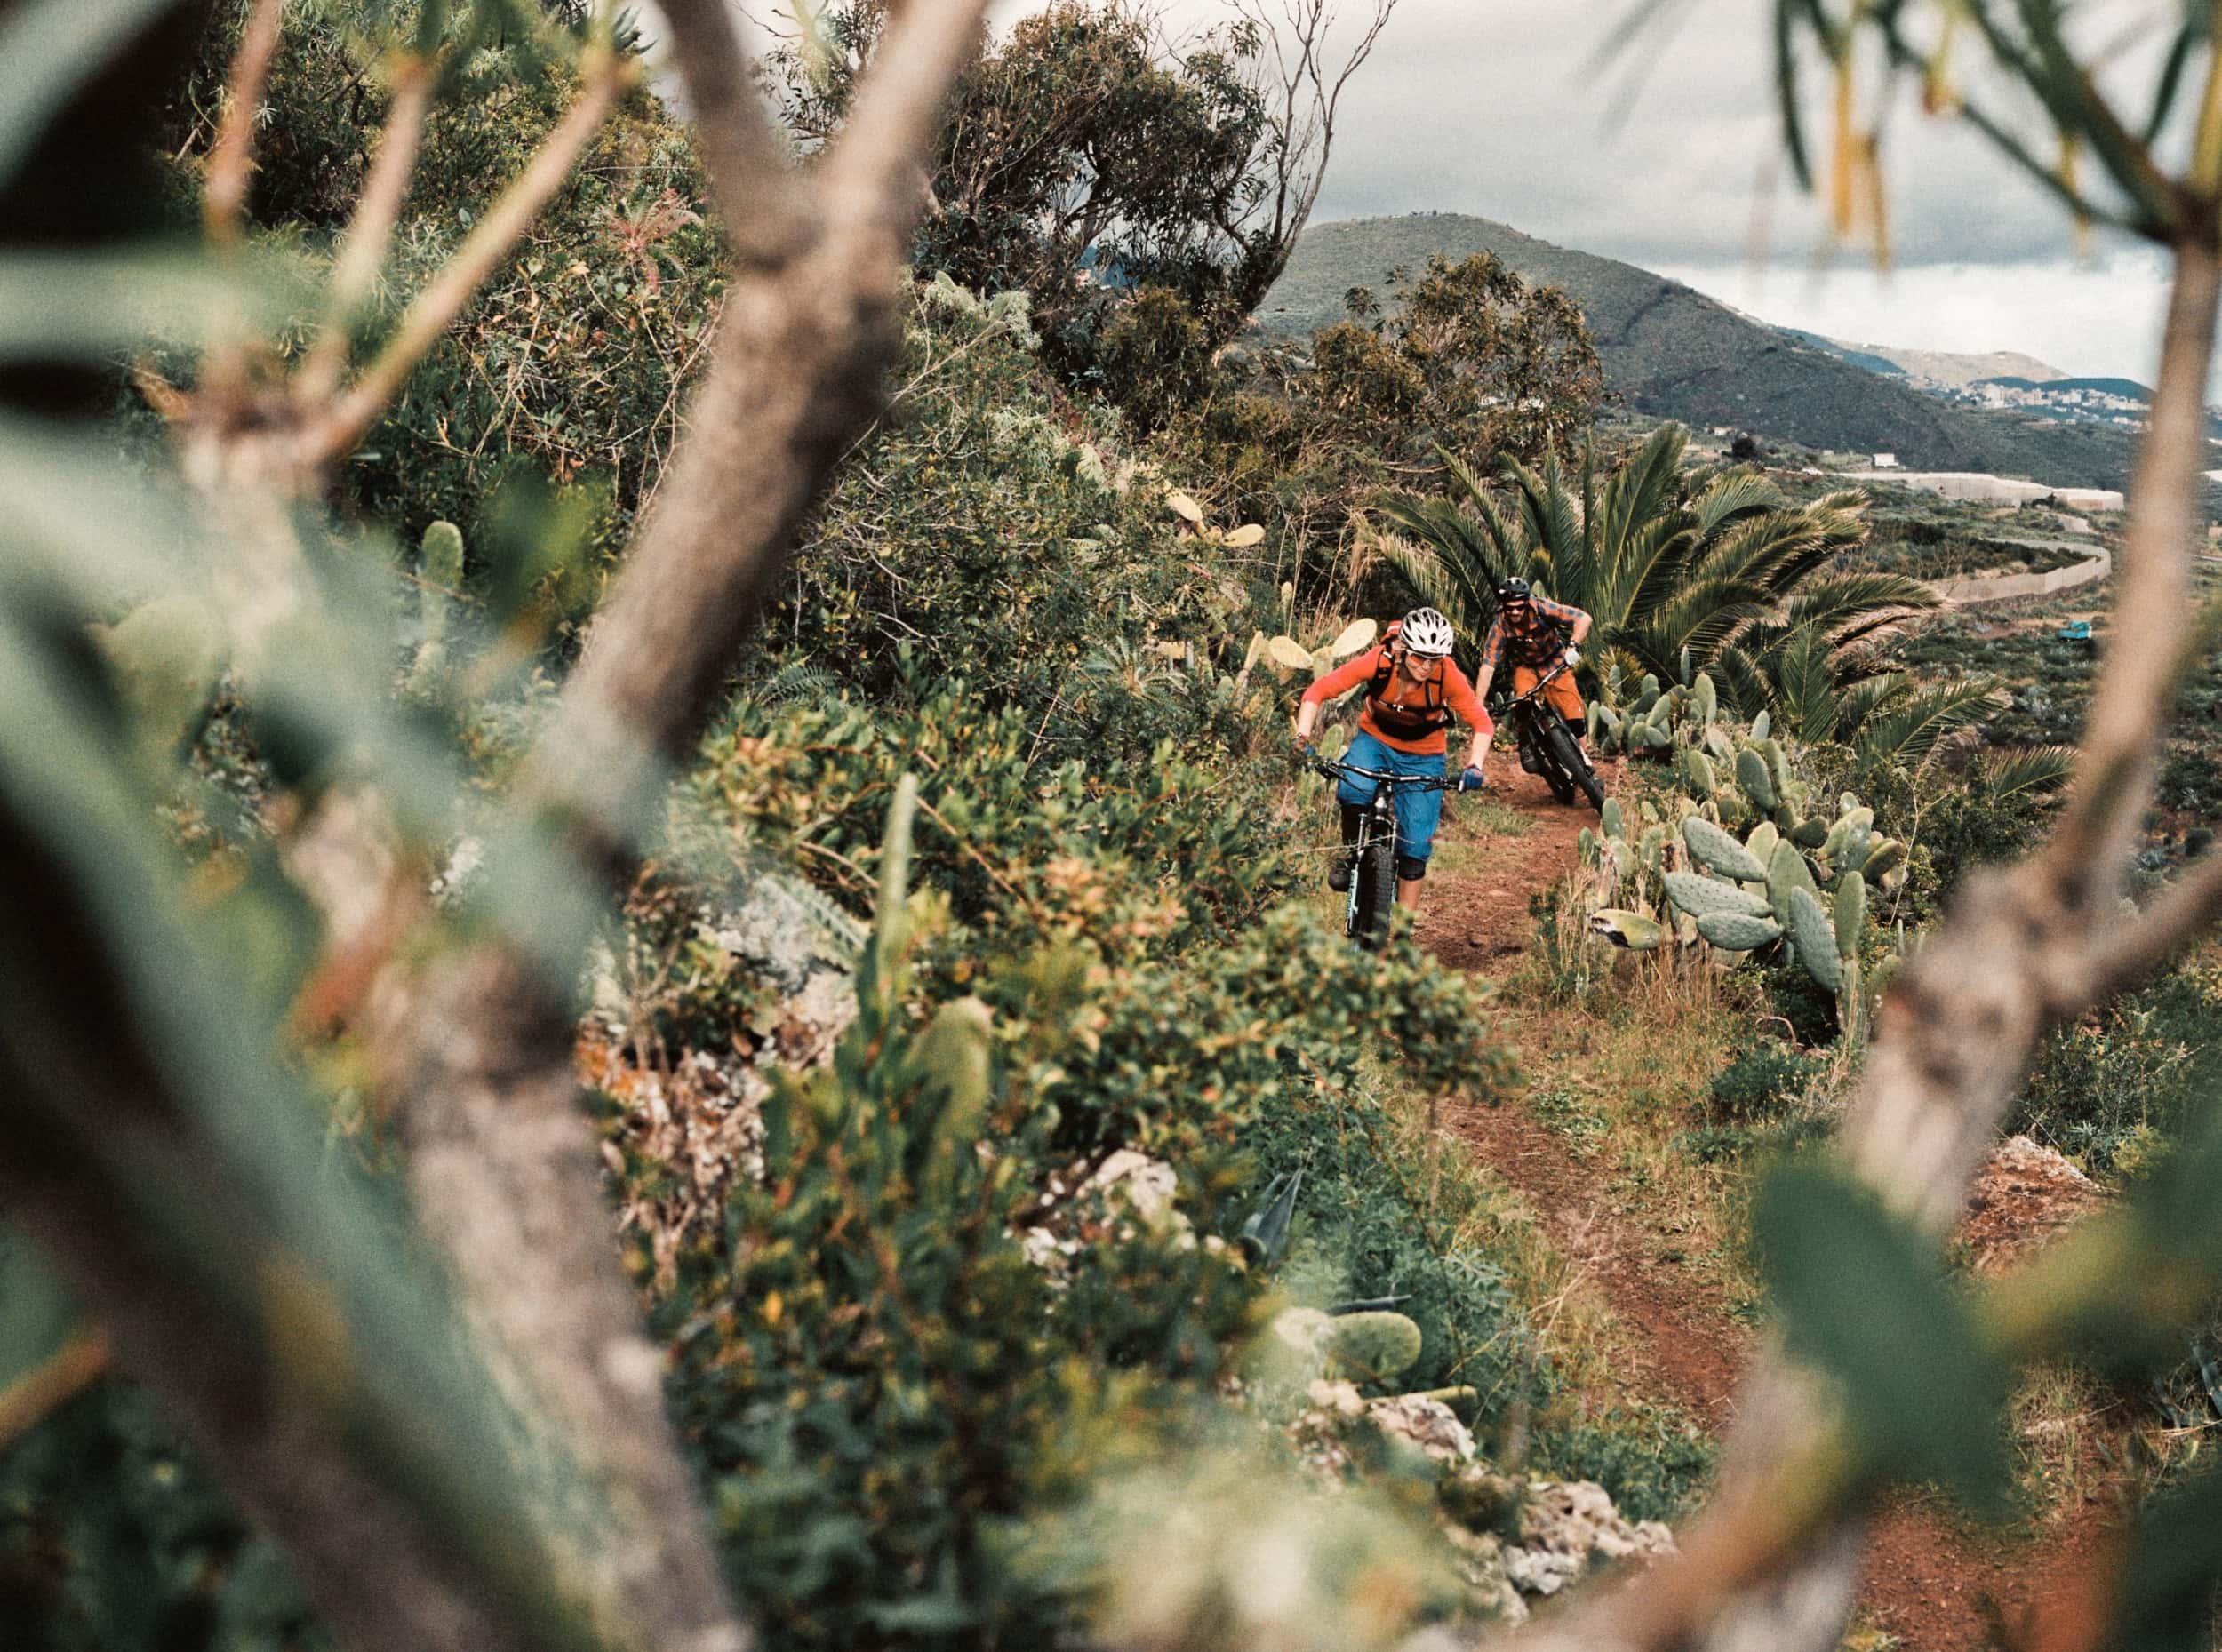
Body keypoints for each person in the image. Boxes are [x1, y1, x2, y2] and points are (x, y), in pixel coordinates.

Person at [1292, 606, 1491, 913]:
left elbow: (1482, 723)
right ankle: (1350, 854)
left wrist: (1474, 765)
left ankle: (1401, 936)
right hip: (1375, 741)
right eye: (1418, 657)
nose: (1426, 666)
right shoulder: (1379, 661)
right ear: (1404, 649)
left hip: (1424, 755)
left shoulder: (1447, 675)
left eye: (1434, 659)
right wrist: (1303, 738)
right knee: (1352, 790)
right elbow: (1318, 690)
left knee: (1416, 846)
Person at [1475, 578, 1592, 767]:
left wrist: (1573, 646)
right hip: (1526, 667)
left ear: (1526, 602)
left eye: (1519, 607)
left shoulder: (1542, 608)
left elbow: (1583, 618)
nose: (1514, 612)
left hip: (1555, 661)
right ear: (1503, 606)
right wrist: (1478, 704)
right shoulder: (1499, 627)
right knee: (1523, 703)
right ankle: (1525, 743)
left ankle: (1584, 764)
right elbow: (1488, 666)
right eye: (1509, 608)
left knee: (1574, 716)